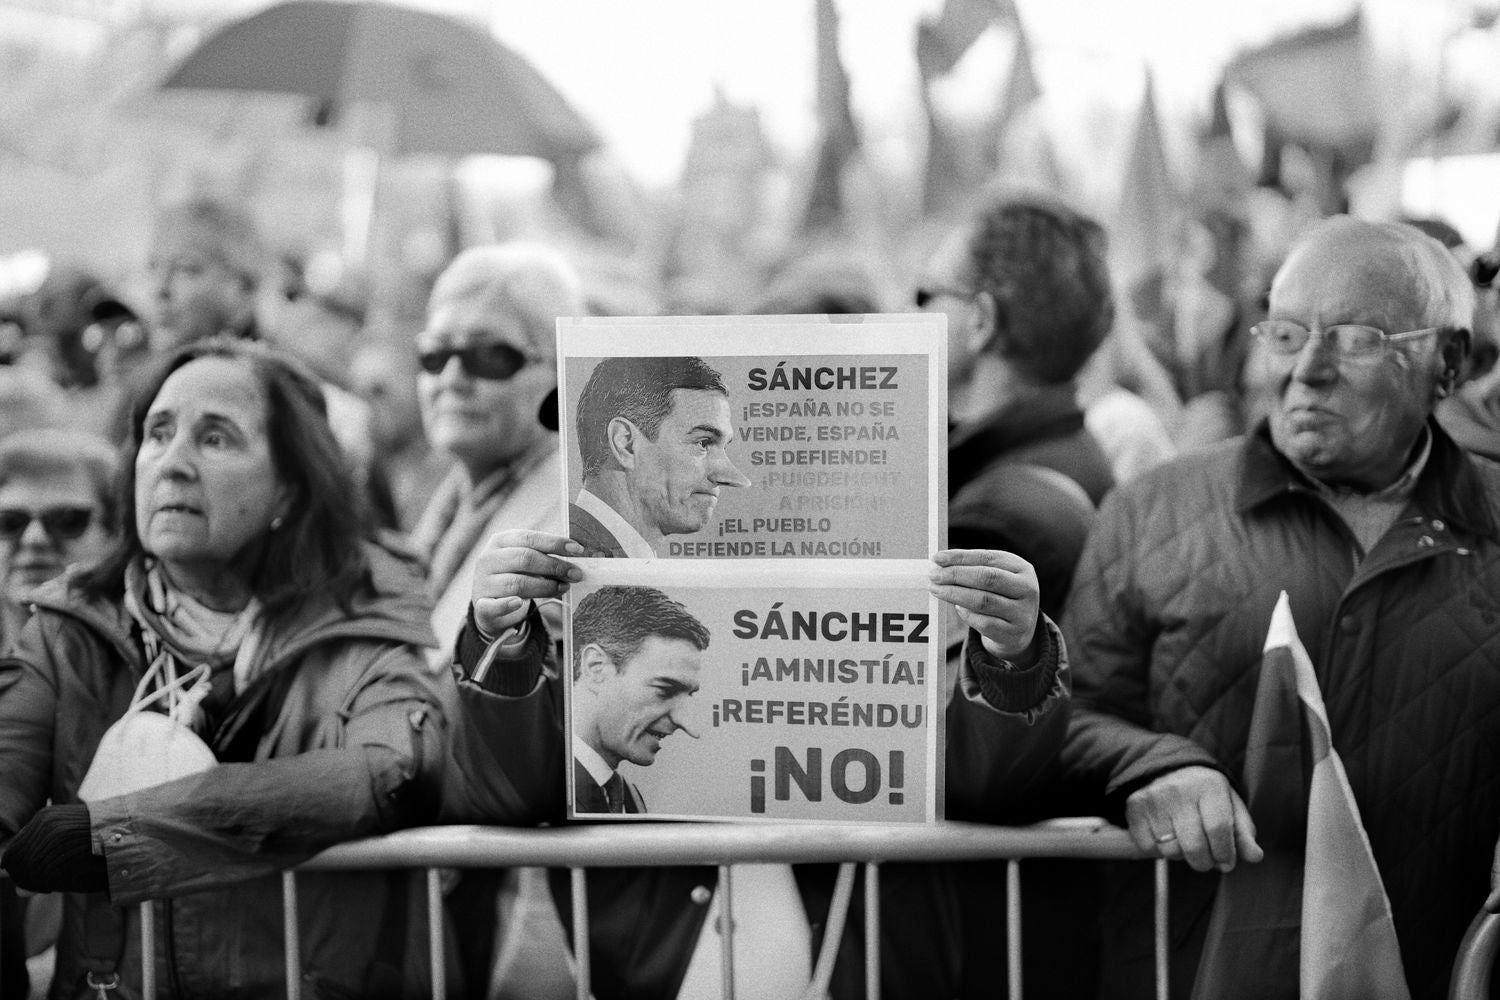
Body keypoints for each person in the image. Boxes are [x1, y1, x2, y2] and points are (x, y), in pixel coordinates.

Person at [1058, 215, 1500, 1000]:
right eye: (1287, 332)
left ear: (1449, 362)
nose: (1308, 370)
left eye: (1358, 338)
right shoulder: (1150, 510)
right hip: (1189, 972)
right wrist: (1152, 764)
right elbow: (1071, 717)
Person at [0, 337, 452, 998]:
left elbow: (392, 771)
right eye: (158, 433)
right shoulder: (68, 633)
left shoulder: (361, 635)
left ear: (290, 492)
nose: (173, 463)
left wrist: (116, 836)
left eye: (215, 439)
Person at [443, 529, 1070, 1000]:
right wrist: (504, 642)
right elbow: (512, 793)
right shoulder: (591, 605)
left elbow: (992, 787)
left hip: (867, 961)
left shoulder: (918, 585)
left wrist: (1013, 657)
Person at [915, 187, 1117, 999]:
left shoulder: (996, 510)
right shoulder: (1069, 454)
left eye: (927, 295)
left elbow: (953, 749)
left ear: (982, 322)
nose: (913, 314)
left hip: (981, 931)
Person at [409, 243, 580, 653]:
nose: (451, 378)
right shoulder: (440, 506)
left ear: (559, 370)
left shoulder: (575, 527)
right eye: (435, 353)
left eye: (489, 356)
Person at [0, 428, 118, 1000]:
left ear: (121, 533)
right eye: (10, 523)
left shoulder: (151, 668)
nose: (35, 539)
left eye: (69, 520)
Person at [570, 355, 750, 557]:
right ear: (626, 443)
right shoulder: (553, 554)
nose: (731, 477)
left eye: (724, 447)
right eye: (703, 443)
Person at [568, 585, 709, 814]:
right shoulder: (533, 789)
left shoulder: (629, 797)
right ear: (596, 667)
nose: (687, 724)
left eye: (689, 695)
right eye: (665, 690)